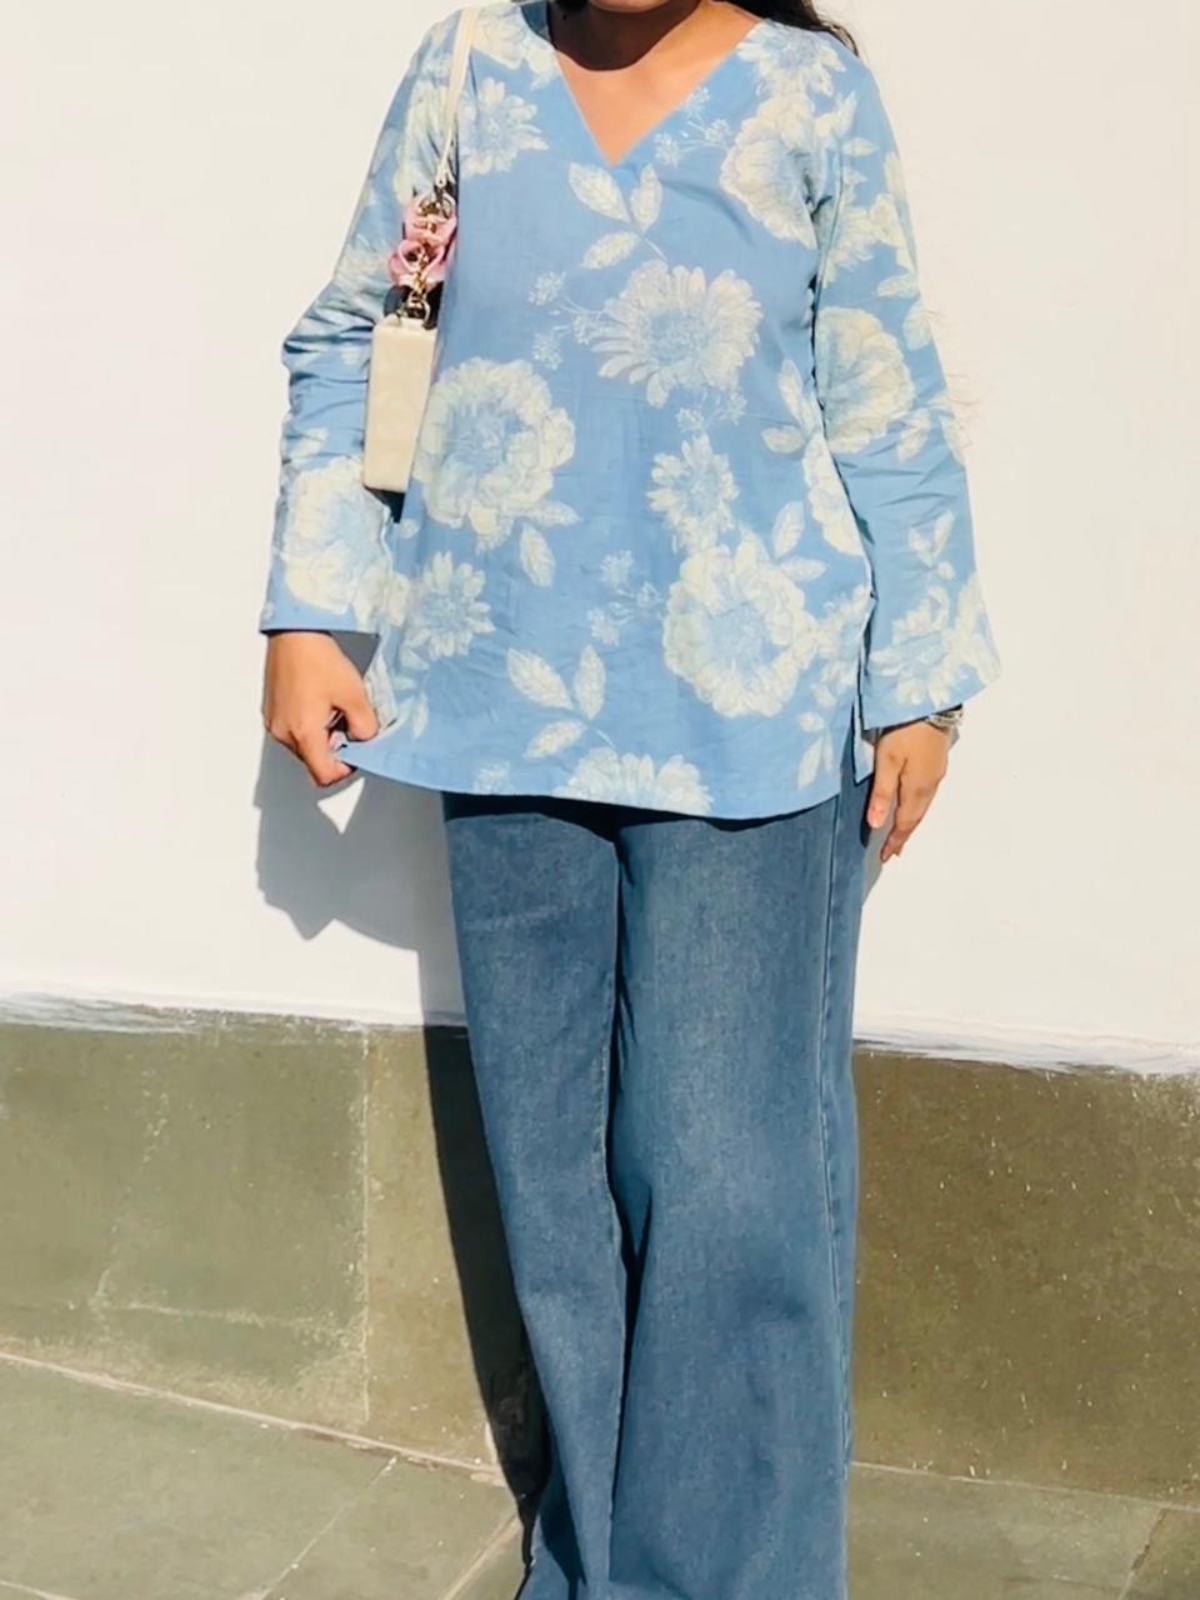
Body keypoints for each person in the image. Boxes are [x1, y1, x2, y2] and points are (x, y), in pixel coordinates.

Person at [259, 2, 1000, 1595]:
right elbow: (361, 337)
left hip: (756, 716)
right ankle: (600, 1566)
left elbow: (888, 392)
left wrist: (922, 679)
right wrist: (312, 613)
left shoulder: (810, 97)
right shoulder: (469, 69)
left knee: (731, 1183)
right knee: (558, 1179)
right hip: (498, 703)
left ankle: (737, 1575)